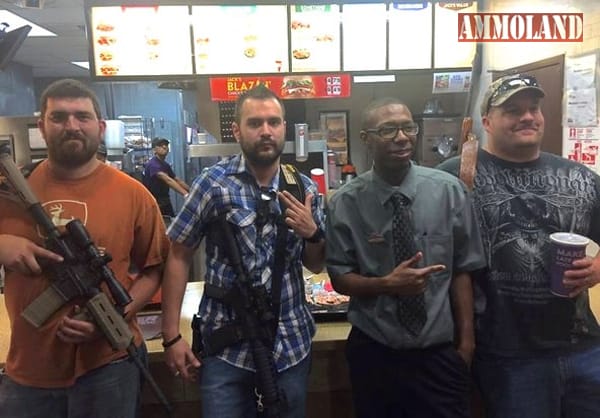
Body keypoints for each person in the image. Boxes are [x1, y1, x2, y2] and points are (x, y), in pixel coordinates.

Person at [0, 78, 169, 418]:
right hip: (30, 368)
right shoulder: (10, 191)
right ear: (41, 126)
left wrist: (112, 315)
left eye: (82, 116)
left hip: (108, 365)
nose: (71, 126)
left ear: (100, 127)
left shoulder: (134, 194)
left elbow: (154, 270)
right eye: (59, 117)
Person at [437, 73, 600, 418]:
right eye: (512, 110)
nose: (527, 116)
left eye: (533, 108)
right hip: (506, 355)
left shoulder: (580, 178)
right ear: (487, 122)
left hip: (584, 348)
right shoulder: (454, 176)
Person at [160, 84, 326, 418]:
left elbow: (316, 265)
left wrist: (313, 233)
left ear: (284, 128)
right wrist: (170, 336)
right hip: (225, 349)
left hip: (289, 342)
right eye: (255, 123)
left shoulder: (303, 188)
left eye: (273, 122)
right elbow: (178, 256)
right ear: (237, 130)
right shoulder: (213, 184)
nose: (266, 131)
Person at [326, 97, 486, 418]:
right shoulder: (344, 203)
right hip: (375, 352)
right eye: (387, 130)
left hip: (439, 354)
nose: (401, 137)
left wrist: (466, 344)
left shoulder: (449, 191)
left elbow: (463, 270)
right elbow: (340, 278)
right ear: (365, 138)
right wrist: (386, 284)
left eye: (407, 127)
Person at [142, 137, 190, 217]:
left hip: (165, 201)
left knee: (170, 221)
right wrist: (185, 194)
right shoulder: (153, 164)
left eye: (166, 145)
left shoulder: (165, 165)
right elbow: (168, 180)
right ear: (154, 150)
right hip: (154, 202)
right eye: (160, 145)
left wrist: (191, 191)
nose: (164, 147)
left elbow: (177, 180)